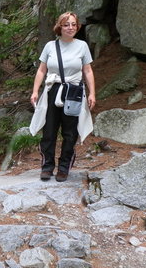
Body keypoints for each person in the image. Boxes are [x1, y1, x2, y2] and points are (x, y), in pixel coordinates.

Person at [29, 11, 96, 182]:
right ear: (60, 27)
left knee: (70, 133)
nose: (70, 27)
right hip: (53, 90)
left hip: (73, 92)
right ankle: (47, 166)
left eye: (73, 24)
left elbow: (87, 71)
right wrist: (36, 91)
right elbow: (42, 70)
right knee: (49, 130)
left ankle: (64, 167)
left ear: (77, 26)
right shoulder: (50, 46)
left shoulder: (82, 46)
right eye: (66, 24)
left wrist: (92, 93)